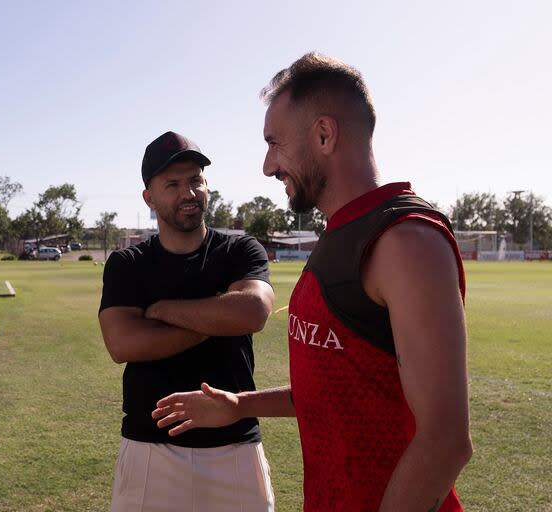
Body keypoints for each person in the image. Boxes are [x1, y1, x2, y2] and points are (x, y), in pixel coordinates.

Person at [152, 54, 472, 512]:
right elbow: (342, 387)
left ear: (324, 134)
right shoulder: (341, 233)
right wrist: (240, 404)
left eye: (275, 143)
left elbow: (445, 440)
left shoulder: (404, 241)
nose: (267, 165)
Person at [98, 131, 277, 512]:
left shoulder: (241, 250)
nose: (188, 192)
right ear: (149, 197)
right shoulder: (128, 264)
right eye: (173, 183)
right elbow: (123, 344)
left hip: (235, 446)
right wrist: (218, 318)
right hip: (150, 447)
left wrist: (161, 310)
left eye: (196, 179)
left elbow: (252, 312)